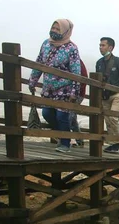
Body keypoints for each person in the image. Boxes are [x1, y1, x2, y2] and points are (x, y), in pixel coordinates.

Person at [28, 19, 81, 153]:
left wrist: (74, 91)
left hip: (64, 89)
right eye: (53, 28)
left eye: (58, 29)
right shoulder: (46, 44)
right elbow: (39, 62)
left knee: (62, 116)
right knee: (47, 113)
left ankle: (65, 143)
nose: (54, 31)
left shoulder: (71, 48)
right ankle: (64, 135)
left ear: (65, 31)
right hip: (48, 88)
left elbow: (76, 71)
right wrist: (33, 80)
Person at [96, 37, 119, 154]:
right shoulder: (99, 63)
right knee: (107, 119)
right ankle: (112, 143)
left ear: (110, 47)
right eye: (100, 45)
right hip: (105, 95)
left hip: (117, 94)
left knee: (113, 117)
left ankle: (116, 143)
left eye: (103, 45)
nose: (100, 47)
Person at [70, 60, 88, 147]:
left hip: (77, 94)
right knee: (72, 117)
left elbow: (84, 78)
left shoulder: (77, 61)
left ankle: (65, 139)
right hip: (65, 93)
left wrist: (76, 92)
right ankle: (79, 140)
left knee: (70, 114)